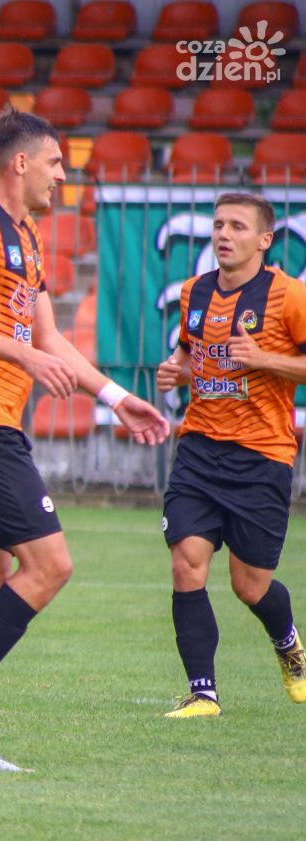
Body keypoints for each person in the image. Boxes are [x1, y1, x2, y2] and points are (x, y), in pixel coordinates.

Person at [0, 107, 170, 770]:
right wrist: (22, 356)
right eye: (55, 162)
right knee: (51, 565)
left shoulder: (27, 235)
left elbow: (49, 337)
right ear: (20, 162)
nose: (62, 175)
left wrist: (115, 398)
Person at [154, 192, 306, 718]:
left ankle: (288, 643)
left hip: (262, 456)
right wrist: (177, 371)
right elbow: (190, 354)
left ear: (264, 240)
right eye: (219, 224)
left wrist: (264, 358)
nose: (223, 234)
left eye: (238, 226)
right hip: (199, 449)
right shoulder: (193, 291)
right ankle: (204, 694)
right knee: (186, 563)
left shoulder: (289, 297)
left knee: (250, 586)